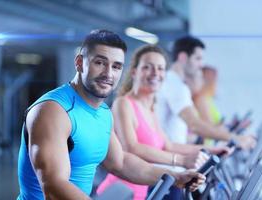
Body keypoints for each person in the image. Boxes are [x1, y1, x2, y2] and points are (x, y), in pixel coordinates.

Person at [17, 30, 206, 200]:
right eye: (100, 62)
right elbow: (54, 186)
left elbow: (121, 163)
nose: (108, 73)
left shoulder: (103, 113)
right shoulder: (54, 111)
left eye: (116, 66)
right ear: (79, 62)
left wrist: (175, 177)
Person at [97, 45, 230, 200]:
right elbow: (131, 147)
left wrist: (211, 150)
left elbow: (169, 145)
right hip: (120, 193)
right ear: (134, 72)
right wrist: (181, 161)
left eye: (160, 68)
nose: (155, 73)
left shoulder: (151, 109)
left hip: (142, 192)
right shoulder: (123, 103)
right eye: (148, 67)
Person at [155, 36, 256, 149]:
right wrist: (235, 138)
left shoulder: (172, 82)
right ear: (183, 57)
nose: (201, 65)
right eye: (198, 58)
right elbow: (194, 125)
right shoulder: (175, 86)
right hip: (169, 161)